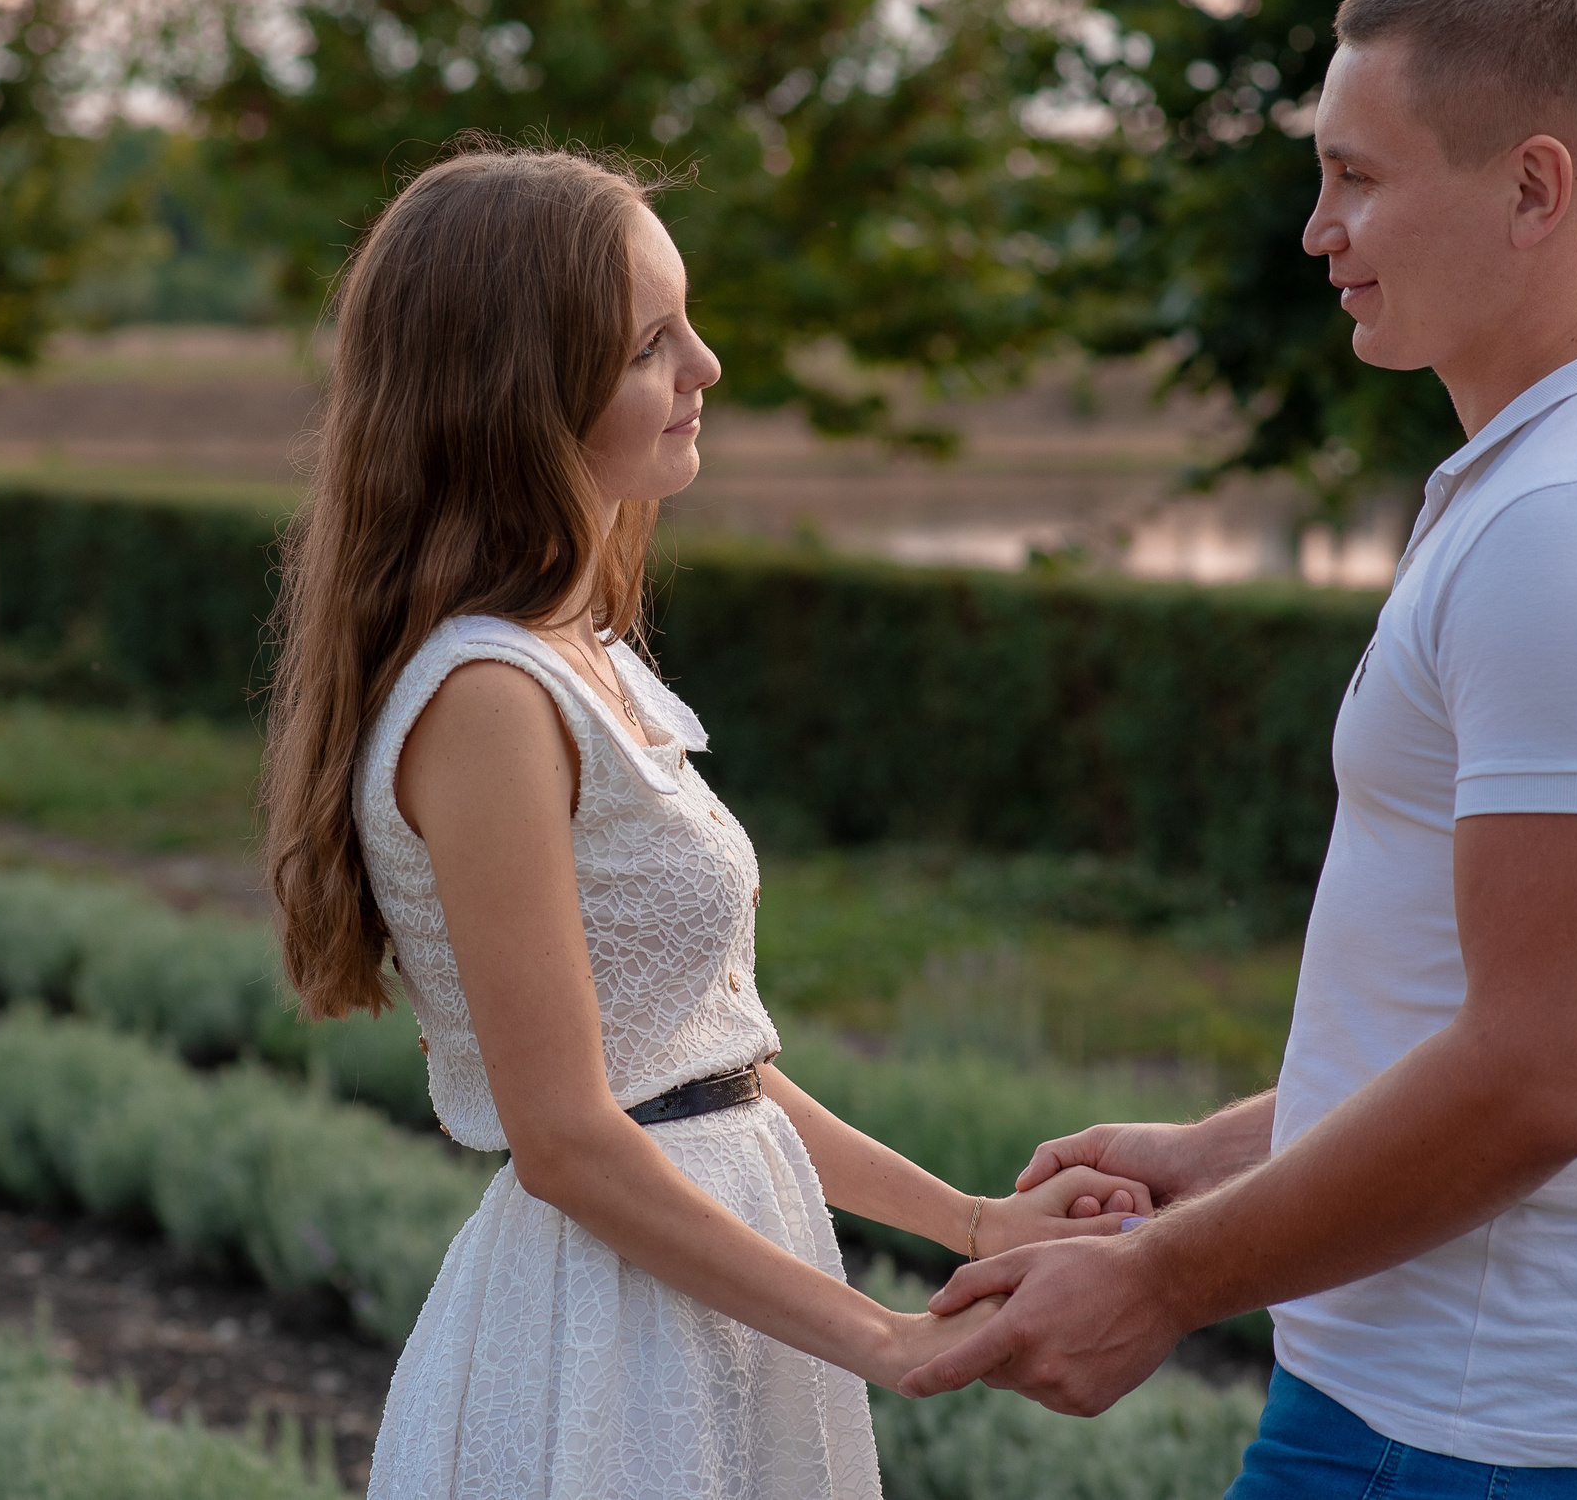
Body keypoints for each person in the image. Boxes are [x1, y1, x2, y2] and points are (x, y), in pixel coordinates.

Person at [903, 0, 1577, 1491]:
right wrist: (1222, 1151)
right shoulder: (1576, 480)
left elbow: (1543, 1075)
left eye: (1359, 178)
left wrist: (1162, 1279)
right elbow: (1537, 1013)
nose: (1318, 230)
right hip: (1506, 1395)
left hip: (1475, 1427)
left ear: (1536, 189)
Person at [258, 144, 1153, 1500]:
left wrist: (971, 1223)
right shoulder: (490, 696)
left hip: (712, 1276)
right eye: (650, 343)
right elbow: (567, 1137)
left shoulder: (585, 660)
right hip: (611, 1331)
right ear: (520, 395)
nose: (708, 364)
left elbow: (705, 1063)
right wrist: (886, 1338)